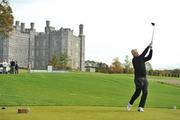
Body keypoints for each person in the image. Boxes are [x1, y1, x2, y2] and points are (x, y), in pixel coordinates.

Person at [127, 42, 153, 112]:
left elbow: (149, 57)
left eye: (136, 52)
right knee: (138, 93)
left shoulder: (141, 58)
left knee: (145, 92)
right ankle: (130, 103)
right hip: (138, 79)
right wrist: (148, 46)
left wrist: (151, 49)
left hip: (144, 78)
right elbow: (144, 53)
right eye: (134, 52)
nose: (136, 53)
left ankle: (140, 107)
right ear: (133, 54)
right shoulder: (135, 59)